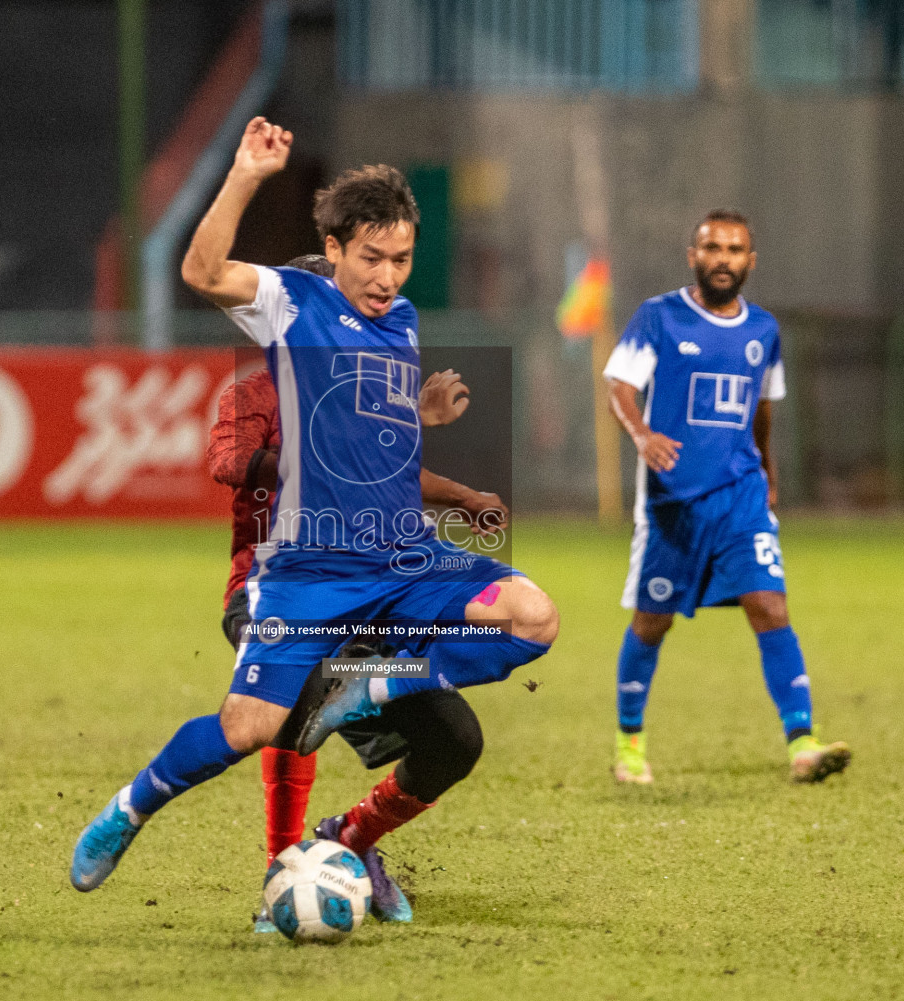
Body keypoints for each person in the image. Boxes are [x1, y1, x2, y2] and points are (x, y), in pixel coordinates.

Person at [70, 117, 558, 899]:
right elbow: (200, 271)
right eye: (371, 258)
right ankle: (131, 808)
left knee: (534, 616)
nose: (388, 276)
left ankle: (365, 711)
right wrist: (245, 174)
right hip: (312, 572)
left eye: (401, 259)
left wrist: (426, 437)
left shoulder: (401, 323)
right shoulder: (291, 303)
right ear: (333, 251)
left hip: (404, 560)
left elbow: (375, 447)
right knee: (250, 729)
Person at [207, 252, 510, 927]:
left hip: (368, 599)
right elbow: (226, 461)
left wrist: (461, 499)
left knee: (454, 740)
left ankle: (348, 840)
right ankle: (282, 868)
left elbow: (399, 473)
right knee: (297, 679)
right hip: (270, 594)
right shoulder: (254, 395)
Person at [603, 209, 849, 785]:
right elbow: (618, 385)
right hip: (673, 504)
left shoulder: (764, 330)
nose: (723, 259)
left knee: (770, 607)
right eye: (712, 248)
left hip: (741, 495)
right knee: (651, 621)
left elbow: (762, 406)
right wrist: (641, 436)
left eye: (735, 250)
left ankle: (803, 744)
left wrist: (768, 473)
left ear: (750, 261)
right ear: (693, 256)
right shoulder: (659, 317)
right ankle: (629, 743)